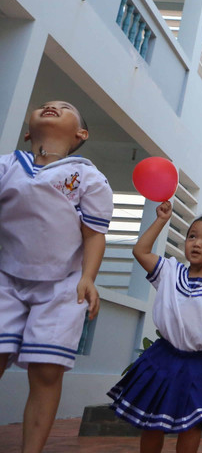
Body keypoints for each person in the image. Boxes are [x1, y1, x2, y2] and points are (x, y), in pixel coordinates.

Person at [0, 100, 112, 453]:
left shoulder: (88, 176)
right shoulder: (7, 166)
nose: (52, 106)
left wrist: (89, 278)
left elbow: (94, 234)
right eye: (45, 105)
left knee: (47, 371)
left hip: (63, 285)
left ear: (81, 133)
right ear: (28, 130)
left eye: (65, 107)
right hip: (5, 277)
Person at [110, 203, 202, 453]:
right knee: (152, 421)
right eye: (192, 236)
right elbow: (140, 251)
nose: (196, 243)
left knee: (192, 424)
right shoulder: (169, 271)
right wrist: (161, 220)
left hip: (201, 363)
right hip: (163, 358)